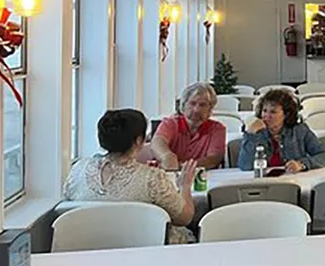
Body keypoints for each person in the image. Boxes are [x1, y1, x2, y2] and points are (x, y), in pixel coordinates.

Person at [63, 109, 196, 244]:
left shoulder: (77, 170)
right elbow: (184, 218)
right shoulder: (151, 179)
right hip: (147, 249)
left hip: (88, 245)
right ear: (139, 140)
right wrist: (185, 186)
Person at [238, 89, 325, 172]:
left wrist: (301, 164)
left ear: (286, 114)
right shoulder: (256, 133)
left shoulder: (300, 130)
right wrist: (250, 134)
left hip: (294, 180)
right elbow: (245, 166)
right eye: (264, 111)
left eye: (273, 112)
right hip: (264, 183)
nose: (266, 116)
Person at [149, 82, 226, 170]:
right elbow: (157, 142)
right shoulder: (170, 123)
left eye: (203, 105)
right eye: (192, 103)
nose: (196, 110)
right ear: (183, 106)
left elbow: (213, 159)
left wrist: (183, 167)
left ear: (210, 109)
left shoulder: (217, 129)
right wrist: (167, 156)